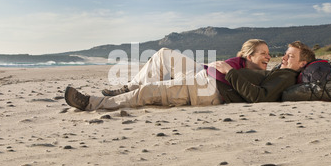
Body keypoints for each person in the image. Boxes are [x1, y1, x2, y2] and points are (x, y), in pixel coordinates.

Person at [64, 41, 315, 111]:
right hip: (209, 83)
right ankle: (105, 97)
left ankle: (91, 103)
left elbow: (258, 98)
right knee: (151, 86)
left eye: (289, 56)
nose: (283, 58)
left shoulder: (285, 78)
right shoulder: (281, 74)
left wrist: (231, 72)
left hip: (213, 89)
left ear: (302, 63)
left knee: (149, 92)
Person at [101, 39, 270, 96]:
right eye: (264, 54)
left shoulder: (256, 72)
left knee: (163, 57)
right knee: (163, 55)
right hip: (200, 73)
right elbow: (219, 75)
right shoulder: (236, 63)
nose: (268, 57)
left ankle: (130, 88)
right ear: (249, 56)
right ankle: (130, 88)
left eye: (268, 54)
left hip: (202, 80)